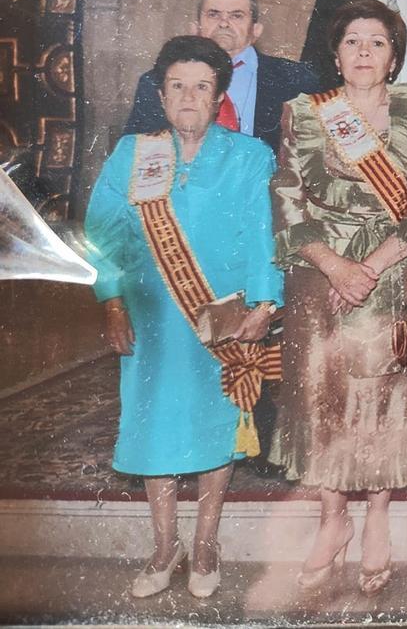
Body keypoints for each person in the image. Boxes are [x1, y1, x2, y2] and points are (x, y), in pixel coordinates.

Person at [86, 35, 283, 599]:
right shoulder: (134, 153)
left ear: (219, 93)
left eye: (201, 86)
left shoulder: (249, 156)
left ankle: (205, 546)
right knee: (156, 429)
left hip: (223, 323)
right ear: (162, 93)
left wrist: (265, 304)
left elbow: (264, 237)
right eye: (177, 85)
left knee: (216, 426)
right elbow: (103, 236)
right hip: (153, 323)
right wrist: (113, 300)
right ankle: (164, 547)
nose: (189, 96)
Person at [270, 0, 407, 596]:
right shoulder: (306, 112)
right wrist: (334, 265)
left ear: (394, 54)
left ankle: (375, 516)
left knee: (385, 400)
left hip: (394, 270)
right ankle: (331, 519)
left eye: (377, 42)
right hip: (320, 275)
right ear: (335, 52)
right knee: (323, 394)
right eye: (352, 41)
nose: (364, 52)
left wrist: (368, 267)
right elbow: (289, 198)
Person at [124, 0, 319, 153]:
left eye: (236, 16)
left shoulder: (296, 79)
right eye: (213, 14)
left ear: (256, 30)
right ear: (196, 27)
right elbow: (137, 155)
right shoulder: (155, 82)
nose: (224, 23)